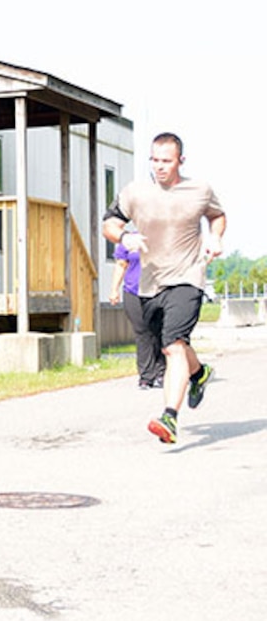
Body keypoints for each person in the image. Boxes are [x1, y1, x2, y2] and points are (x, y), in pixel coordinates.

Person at [102, 132, 226, 444]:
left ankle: (169, 417)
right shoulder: (135, 192)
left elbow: (217, 216)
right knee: (173, 346)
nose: (159, 167)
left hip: (188, 277)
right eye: (154, 160)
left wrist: (215, 237)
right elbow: (109, 223)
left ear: (180, 161)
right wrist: (123, 237)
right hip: (150, 282)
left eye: (166, 161)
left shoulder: (199, 190)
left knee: (173, 345)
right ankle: (199, 373)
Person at [109, 229, 164, 389]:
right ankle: (146, 375)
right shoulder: (128, 239)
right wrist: (114, 290)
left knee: (158, 330)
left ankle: (161, 371)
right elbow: (121, 265)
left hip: (157, 290)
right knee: (141, 332)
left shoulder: (161, 236)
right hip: (133, 291)